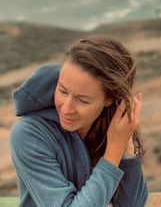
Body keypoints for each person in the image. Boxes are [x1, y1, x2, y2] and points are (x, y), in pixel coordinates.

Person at [10, 36, 148, 207]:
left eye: (83, 100)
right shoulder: (29, 134)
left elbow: (132, 204)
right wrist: (114, 151)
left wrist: (125, 147)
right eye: (62, 90)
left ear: (109, 99)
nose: (66, 108)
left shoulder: (114, 126)